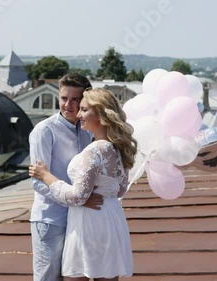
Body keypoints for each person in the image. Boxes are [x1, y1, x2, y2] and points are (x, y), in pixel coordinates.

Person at [29, 88, 138, 280]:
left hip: (89, 223)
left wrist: (46, 176)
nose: (79, 114)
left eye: (84, 110)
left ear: (101, 114)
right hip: (112, 219)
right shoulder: (118, 148)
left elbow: (77, 196)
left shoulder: (94, 151)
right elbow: (120, 189)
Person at [29, 73, 103, 281]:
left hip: (77, 219)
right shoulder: (44, 131)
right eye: (63, 98)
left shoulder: (87, 131)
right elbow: (38, 182)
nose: (68, 105)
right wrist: (78, 199)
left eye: (75, 99)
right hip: (50, 220)